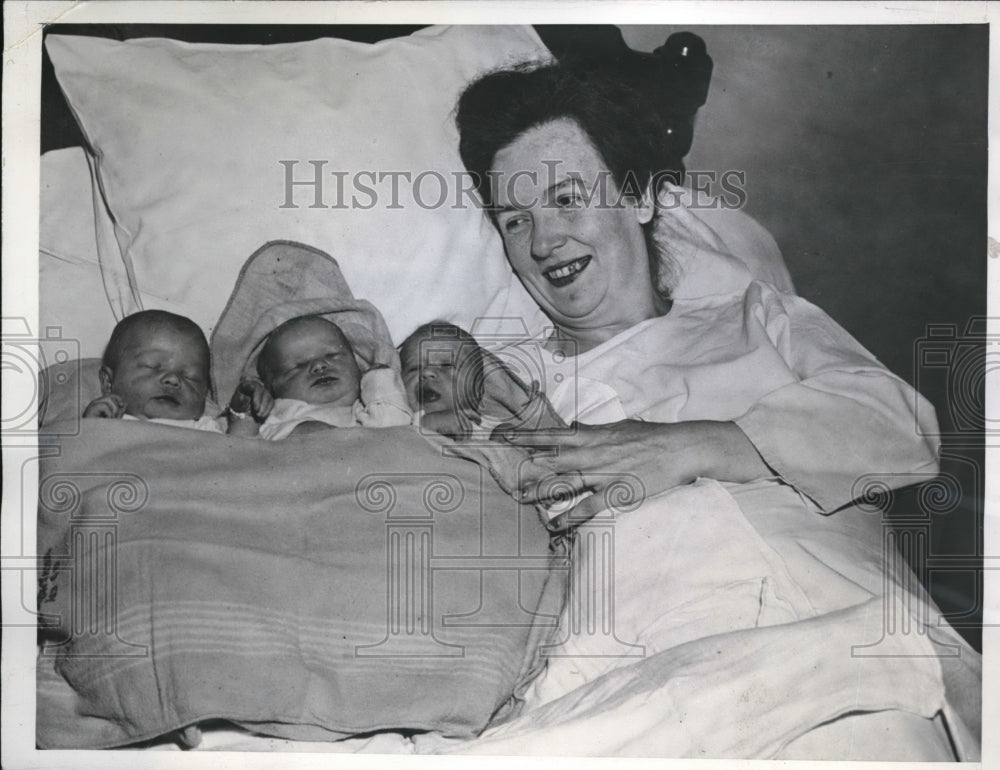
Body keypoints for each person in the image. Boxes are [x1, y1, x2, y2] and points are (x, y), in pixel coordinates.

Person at [452, 61, 977, 760]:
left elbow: (904, 427)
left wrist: (696, 446)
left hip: (847, 651)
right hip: (650, 688)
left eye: (568, 198)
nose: (544, 242)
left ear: (638, 198)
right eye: (516, 221)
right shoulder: (512, 391)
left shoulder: (759, 319)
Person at [229, 314, 412, 439]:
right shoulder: (275, 415)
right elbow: (239, 452)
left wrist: (379, 382)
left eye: (333, 355)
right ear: (272, 387)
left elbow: (395, 433)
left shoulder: (365, 410)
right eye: (298, 366)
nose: (319, 366)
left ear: (357, 367)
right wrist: (245, 412)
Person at [83, 309, 223, 433]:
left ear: (205, 393)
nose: (173, 379)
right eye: (151, 366)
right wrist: (91, 427)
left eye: (191, 377)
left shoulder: (205, 429)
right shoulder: (107, 423)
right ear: (108, 382)